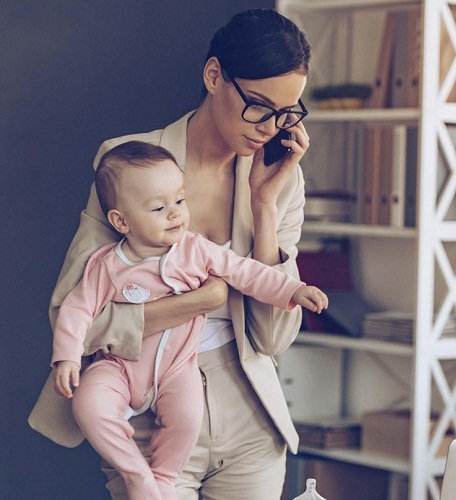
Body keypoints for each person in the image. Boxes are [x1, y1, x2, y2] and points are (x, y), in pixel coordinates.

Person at [29, 8, 314, 499]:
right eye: (260, 107)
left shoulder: (281, 182)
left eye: (287, 113)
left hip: (249, 414)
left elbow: (272, 339)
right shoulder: (125, 162)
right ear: (214, 76)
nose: (271, 128)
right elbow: (75, 317)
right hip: (146, 416)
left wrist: (264, 208)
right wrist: (195, 303)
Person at [51, 141, 328, 500]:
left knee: (187, 416)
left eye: (180, 201)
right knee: (88, 403)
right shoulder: (107, 264)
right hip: (119, 367)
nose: (175, 214)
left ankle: (164, 477)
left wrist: (292, 289)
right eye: (158, 207)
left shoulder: (195, 249)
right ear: (121, 221)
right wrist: (68, 357)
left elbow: (246, 272)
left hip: (179, 368)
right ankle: (137, 475)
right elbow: (77, 309)